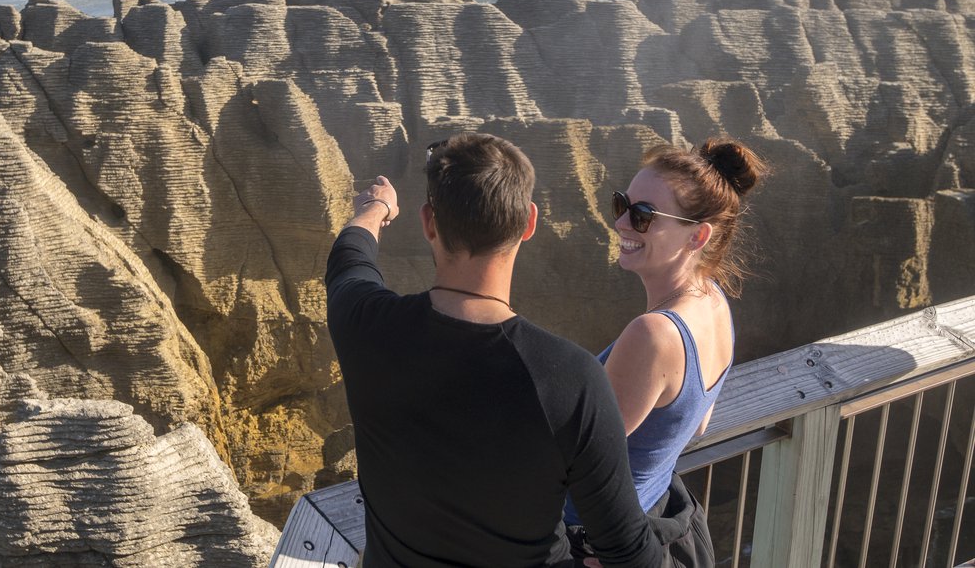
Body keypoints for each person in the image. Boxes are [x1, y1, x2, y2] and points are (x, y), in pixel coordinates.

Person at [325, 132, 662, 567]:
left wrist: (375, 208)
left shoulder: (364, 323)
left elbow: (350, 260)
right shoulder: (572, 378)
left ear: (429, 222)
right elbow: (628, 549)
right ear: (529, 223)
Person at [564, 138, 768, 564]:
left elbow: (572, 462)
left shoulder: (654, 334)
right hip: (658, 512)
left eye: (643, 217)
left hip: (597, 542)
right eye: (622, 204)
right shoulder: (713, 300)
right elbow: (696, 422)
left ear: (698, 235)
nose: (621, 223)